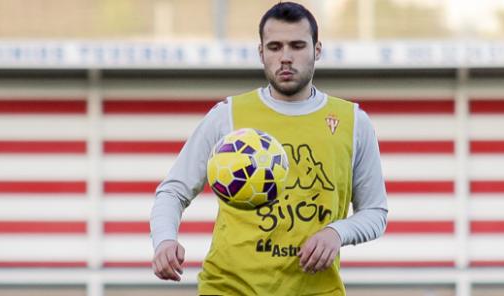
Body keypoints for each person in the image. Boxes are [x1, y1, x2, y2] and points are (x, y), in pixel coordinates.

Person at [150, 2, 388, 295]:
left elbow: (375, 212)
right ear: (261, 53)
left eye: (297, 45)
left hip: (315, 289)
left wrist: (337, 232)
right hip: (230, 287)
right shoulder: (228, 115)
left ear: (317, 49)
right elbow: (173, 190)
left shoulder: (353, 122)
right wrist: (164, 240)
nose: (285, 57)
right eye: (274, 47)